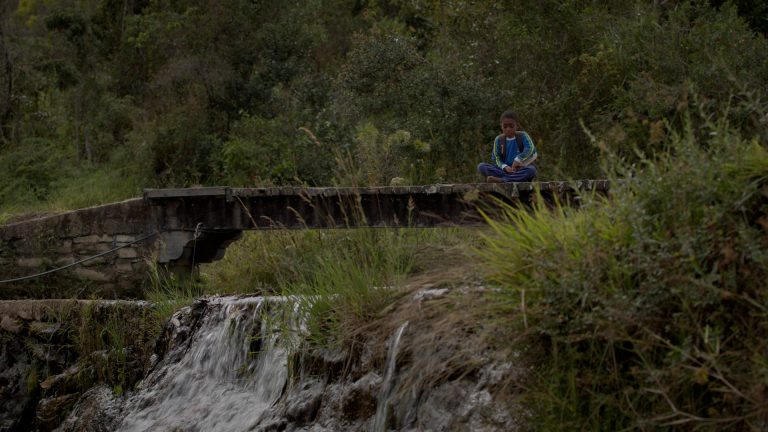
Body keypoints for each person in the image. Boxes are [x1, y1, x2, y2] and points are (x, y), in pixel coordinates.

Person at [477, 111, 537, 183]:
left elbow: (530, 149)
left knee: (531, 170)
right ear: (501, 126)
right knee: (481, 167)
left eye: (511, 126)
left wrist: (518, 159)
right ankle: (510, 178)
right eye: (505, 126)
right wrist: (504, 167)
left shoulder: (523, 135)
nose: (508, 129)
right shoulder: (499, 139)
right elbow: (496, 158)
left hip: (520, 170)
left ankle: (503, 180)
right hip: (504, 171)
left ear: (517, 125)